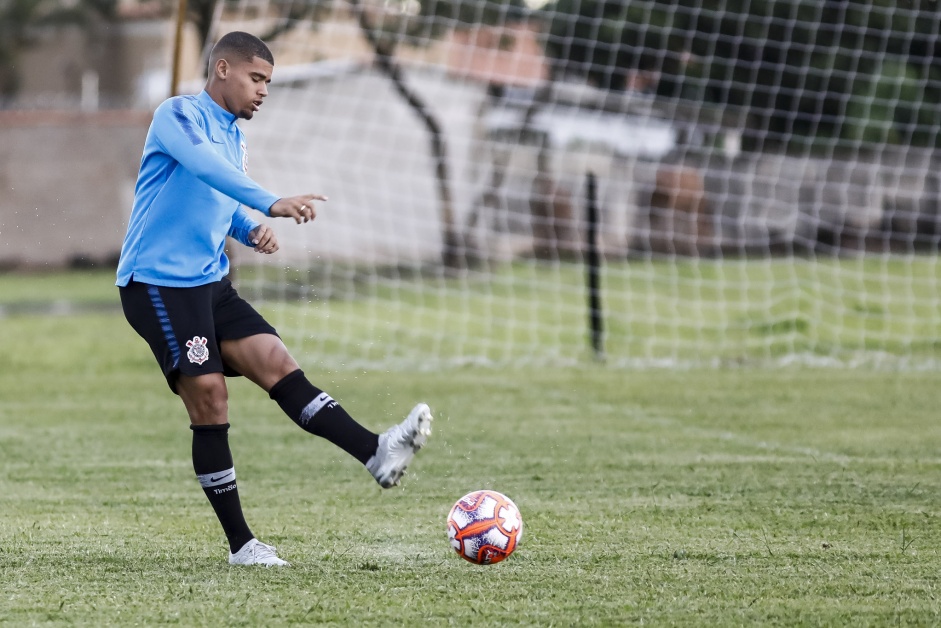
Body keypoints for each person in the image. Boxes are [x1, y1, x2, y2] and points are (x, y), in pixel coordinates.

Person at [115, 31, 432, 567]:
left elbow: (219, 195)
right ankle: (242, 546)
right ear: (222, 70)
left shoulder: (235, 137)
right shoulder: (177, 116)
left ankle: (377, 453)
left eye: (268, 82)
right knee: (211, 395)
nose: (263, 91)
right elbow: (204, 170)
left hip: (209, 283)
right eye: (256, 78)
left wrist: (249, 227)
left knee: (277, 363)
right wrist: (271, 201)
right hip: (157, 284)